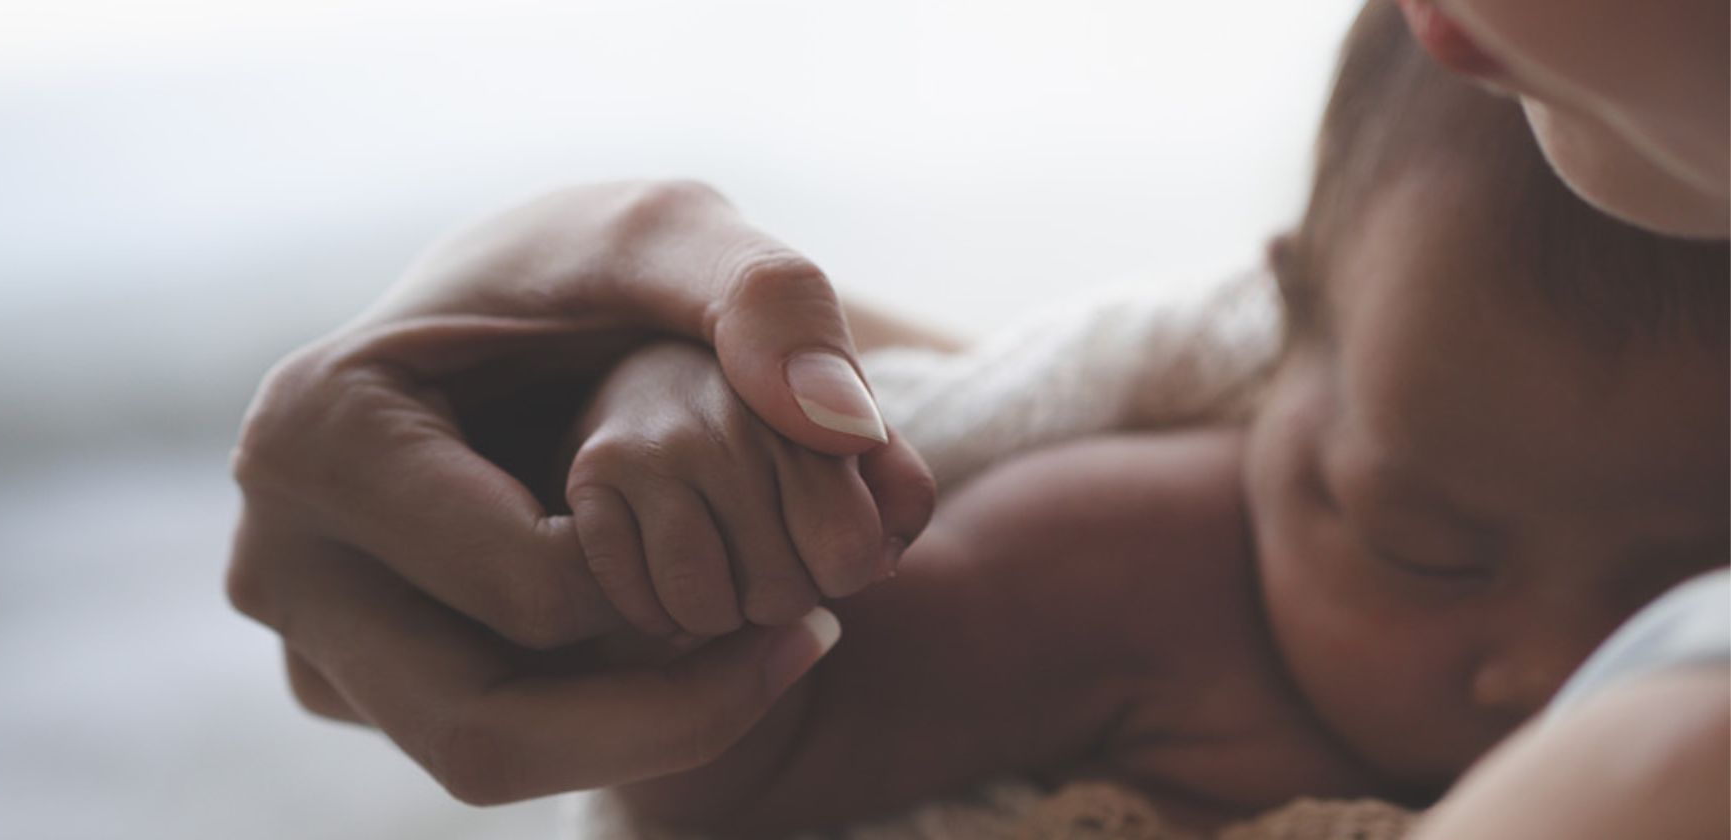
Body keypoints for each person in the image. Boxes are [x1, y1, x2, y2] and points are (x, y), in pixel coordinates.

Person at [225, 0, 1727, 829]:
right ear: (1284, 354)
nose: (1545, 668)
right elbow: (744, 731)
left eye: (1678, 583)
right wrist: (693, 518)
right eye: (1424, 548)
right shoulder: (1147, 572)